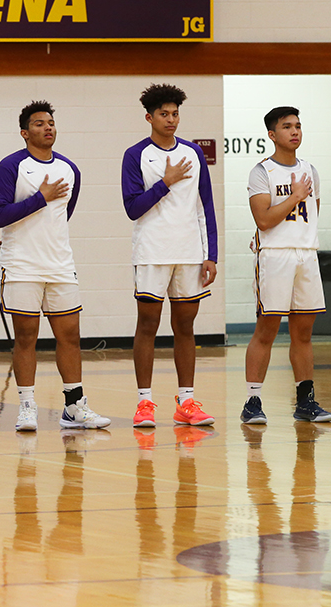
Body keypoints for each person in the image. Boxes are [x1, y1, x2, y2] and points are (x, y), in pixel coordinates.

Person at [0, 101, 111, 432]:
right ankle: (27, 406)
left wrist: (42, 224)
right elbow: (0, 214)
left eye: (51, 123)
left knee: (70, 335)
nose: (48, 128)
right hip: (22, 266)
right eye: (40, 123)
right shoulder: (10, 166)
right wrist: (39, 198)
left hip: (59, 264)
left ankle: (74, 406)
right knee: (26, 336)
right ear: (24, 132)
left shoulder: (70, 169)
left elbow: (63, 214)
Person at [121, 84, 218, 428]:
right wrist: (165, 182)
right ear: (149, 117)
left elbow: (205, 205)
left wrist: (212, 255)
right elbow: (133, 207)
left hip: (190, 252)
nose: (171, 119)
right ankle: (144, 402)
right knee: (147, 325)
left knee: (185, 328)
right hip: (152, 252)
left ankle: (187, 401)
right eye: (164, 113)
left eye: (175, 113)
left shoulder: (192, 153)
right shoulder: (135, 155)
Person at [240, 107, 331, 424]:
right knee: (266, 329)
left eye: (298, 126)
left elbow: (313, 215)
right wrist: (294, 197)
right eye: (287, 127)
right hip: (275, 255)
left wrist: (298, 202)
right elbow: (264, 220)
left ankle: (305, 400)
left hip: (306, 253)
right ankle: (252, 401)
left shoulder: (311, 170)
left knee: (303, 333)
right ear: (272, 134)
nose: (294, 132)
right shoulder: (261, 172)